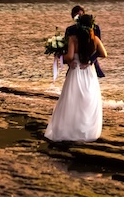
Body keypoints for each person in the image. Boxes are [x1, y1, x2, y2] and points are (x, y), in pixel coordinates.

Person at [45, 14, 108, 142]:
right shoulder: (95, 39)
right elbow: (103, 54)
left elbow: (69, 57)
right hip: (89, 72)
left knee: (73, 100)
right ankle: (86, 131)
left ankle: (71, 130)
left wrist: (60, 55)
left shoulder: (73, 39)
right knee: (87, 101)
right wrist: (90, 61)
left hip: (75, 72)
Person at [66, 5, 104, 78]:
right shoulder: (70, 30)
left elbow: (98, 49)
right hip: (75, 64)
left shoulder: (95, 29)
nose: (78, 17)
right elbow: (66, 48)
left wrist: (90, 61)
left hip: (90, 62)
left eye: (80, 15)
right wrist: (69, 62)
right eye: (76, 16)